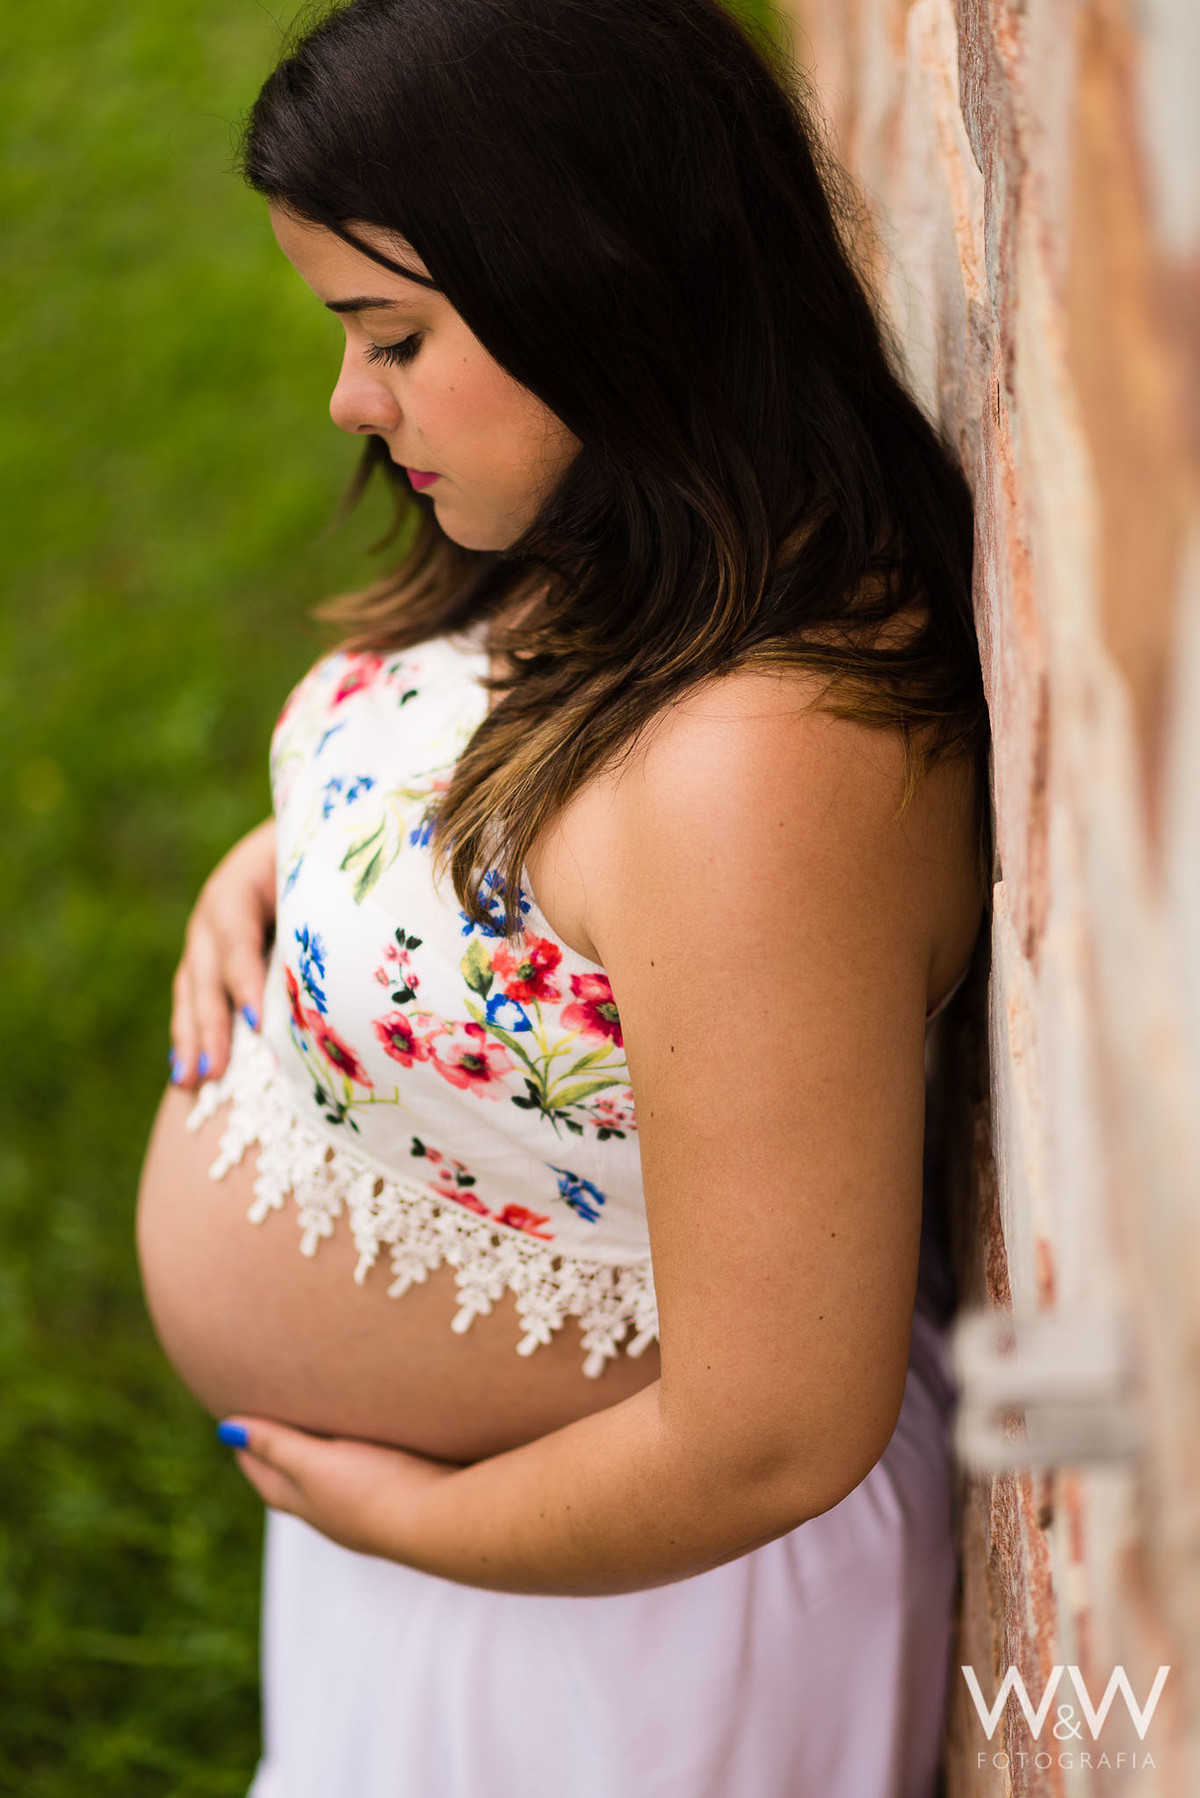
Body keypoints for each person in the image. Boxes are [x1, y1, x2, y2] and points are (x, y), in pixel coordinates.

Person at [136, 0, 989, 1792]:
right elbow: (538, 874)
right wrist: (298, 862)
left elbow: (765, 1437)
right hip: (467, 1541)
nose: (348, 400)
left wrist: (409, 1519)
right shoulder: (620, 533)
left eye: (393, 337)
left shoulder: (765, 765)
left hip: (634, 1623)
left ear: (599, 286)